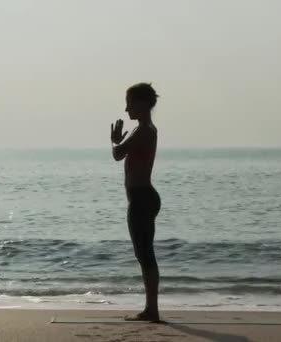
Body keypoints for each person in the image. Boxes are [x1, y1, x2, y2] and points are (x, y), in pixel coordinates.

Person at [111, 83, 162, 322]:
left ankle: (152, 309)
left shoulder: (143, 131)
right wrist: (119, 143)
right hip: (142, 197)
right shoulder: (144, 129)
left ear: (141, 104)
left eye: (129, 103)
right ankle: (150, 308)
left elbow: (118, 154)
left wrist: (114, 141)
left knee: (145, 254)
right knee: (143, 254)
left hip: (142, 198)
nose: (126, 108)